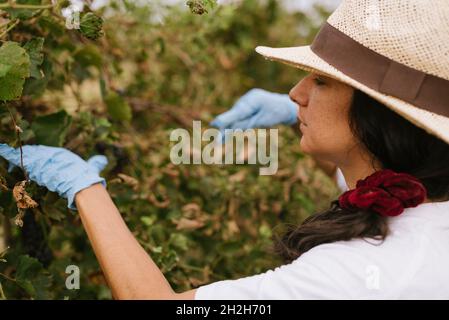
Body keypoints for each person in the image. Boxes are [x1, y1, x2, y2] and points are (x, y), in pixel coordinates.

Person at [1, 0, 449, 299]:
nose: (294, 93)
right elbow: (366, 168)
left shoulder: (350, 276)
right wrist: (307, 119)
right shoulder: (426, 204)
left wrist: (84, 188)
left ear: (377, 117)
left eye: (320, 80)